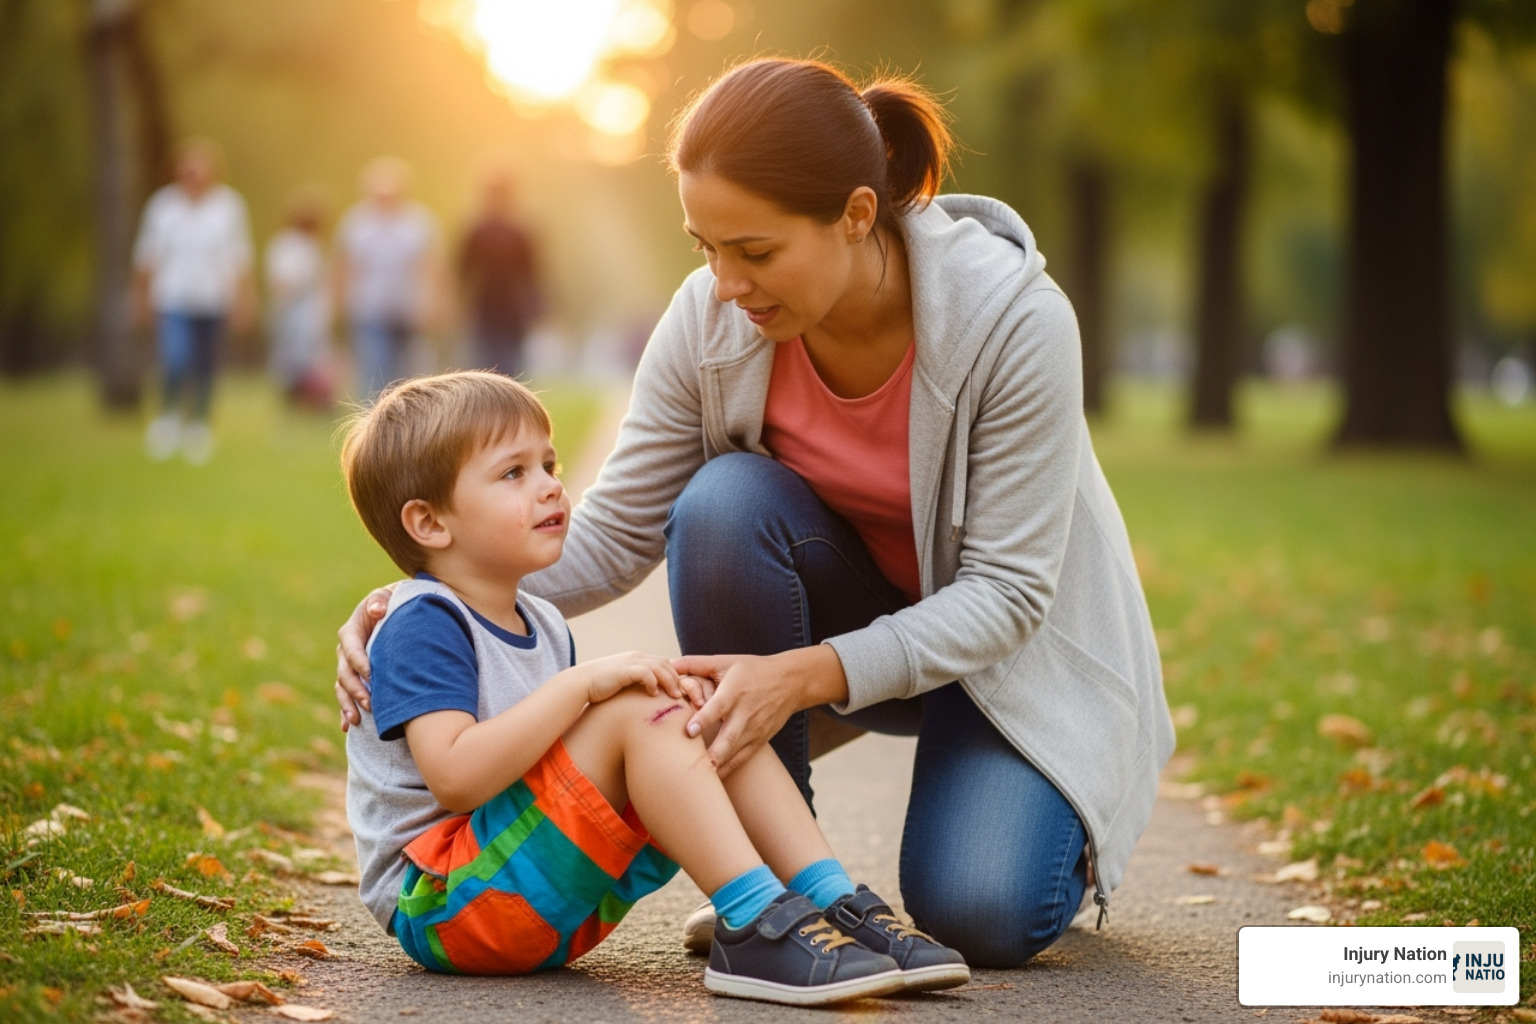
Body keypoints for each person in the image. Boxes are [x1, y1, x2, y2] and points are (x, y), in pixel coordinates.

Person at [336, 58, 1175, 969]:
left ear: (857, 215)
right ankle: (786, 896)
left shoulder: (1013, 321)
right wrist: (423, 602)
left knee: (980, 912)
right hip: (858, 626)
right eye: (706, 247)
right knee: (723, 503)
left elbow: (1009, 594)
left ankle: (1035, 795)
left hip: (1009, 663)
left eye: (757, 252)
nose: (725, 285)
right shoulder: (712, 317)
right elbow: (614, 531)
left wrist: (804, 676)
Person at [339, 370, 967, 1003]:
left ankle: (829, 899)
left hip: (530, 894)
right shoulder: (422, 623)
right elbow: (455, 775)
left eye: (549, 464)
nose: (551, 486)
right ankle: (752, 923)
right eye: (513, 474)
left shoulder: (541, 620)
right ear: (428, 523)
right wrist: (584, 687)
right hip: (445, 902)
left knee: (702, 704)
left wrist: (617, 694)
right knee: (639, 705)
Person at [133, 137, 255, 464]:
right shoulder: (162, 208)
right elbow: (146, 259)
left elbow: (240, 259)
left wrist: (244, 299)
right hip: (173, 299)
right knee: (176, 358)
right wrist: (141, 298)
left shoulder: (229, 208)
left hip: (214, 301)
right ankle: (168, 418)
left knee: (206, 366)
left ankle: (199, 426)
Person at [335, 157, 442, 399]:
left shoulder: (418, 223)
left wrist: (433, 303)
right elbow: (345, 267)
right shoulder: (356, 224)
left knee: (409, 375)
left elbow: (431, 267)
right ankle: (374, 425)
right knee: (375, 371)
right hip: (369, 309)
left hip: (409, 310)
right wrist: (339, 304)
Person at [457, 168, 542, 377]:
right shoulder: (477, 229)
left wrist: (534, 305)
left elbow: (532, 272)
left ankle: (508, 400)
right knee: (487, 359)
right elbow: (464, 269)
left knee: (509, 359)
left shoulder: (520, 230)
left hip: (514, 307)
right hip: (485, 305)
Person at [264, 186, 335, 409]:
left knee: (311, 361)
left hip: (309, 315)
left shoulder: (313, 246)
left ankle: (313, 402)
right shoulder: (286, 246)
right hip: (291, 314)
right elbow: (282, 283)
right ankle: (292, 402)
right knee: (291, 361)